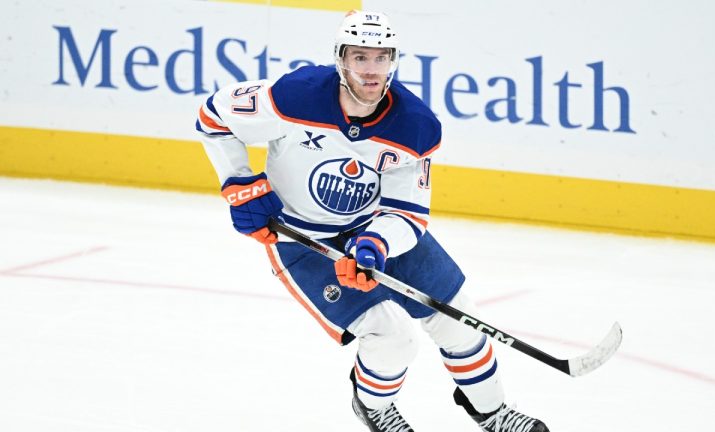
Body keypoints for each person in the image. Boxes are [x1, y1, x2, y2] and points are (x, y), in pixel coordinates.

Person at [197, 10, 549, 432]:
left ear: (394, 61)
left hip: (375, 230)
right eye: (360, 57)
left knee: (459, 320)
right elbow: (213, 117)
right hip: (302, 240)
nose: (370, 70)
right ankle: (374, 408)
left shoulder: (413, 126)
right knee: (392, 335)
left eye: (381, 58)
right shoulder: (293, 96)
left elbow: (407, 213)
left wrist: (375, 245)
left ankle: (494, 414)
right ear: (340, 59)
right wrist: (239, 183)